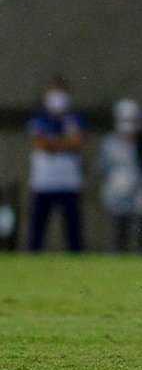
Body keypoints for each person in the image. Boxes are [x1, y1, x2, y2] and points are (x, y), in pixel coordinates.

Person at [28, 77, 87, 252]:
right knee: (37, 230)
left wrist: (55, 144)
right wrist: (65, 143)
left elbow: (77, 142)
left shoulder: (75, 118)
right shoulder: (39, 118)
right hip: (43, 182)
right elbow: (41, 144)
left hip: (69, 182)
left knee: (73, 231)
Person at [99, 99, 142, 252]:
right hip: (118, 195)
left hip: (141, 195)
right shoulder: (109, 143)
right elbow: (103, 169)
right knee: (119, 233)